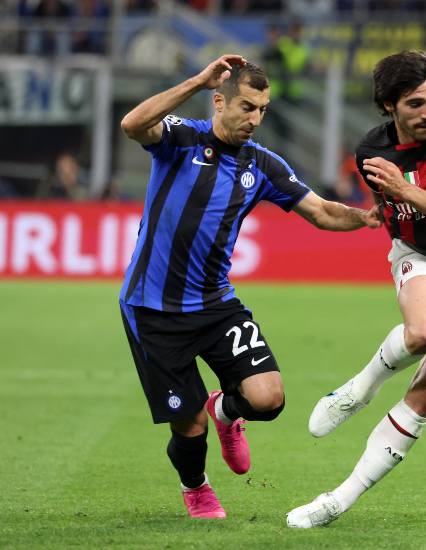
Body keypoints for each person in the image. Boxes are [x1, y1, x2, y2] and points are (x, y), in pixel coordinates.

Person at [118, 54, 381, 519]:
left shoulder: (262, 164)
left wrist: (364, 217)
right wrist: (198, 80)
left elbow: (321, 211)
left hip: (216, 304)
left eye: (262, 110)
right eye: (246, 107)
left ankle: (225, 411)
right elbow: (132, 124)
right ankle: (196, 487)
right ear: (219, 102)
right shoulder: (181, 138)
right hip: (153, 308)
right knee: (188, 423)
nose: (254, 119)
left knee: (268, 398)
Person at [286, 50, 426, 528]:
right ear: (390, 106)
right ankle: (359, 390)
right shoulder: (371, 151)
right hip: (420, 254)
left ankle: (338, 499)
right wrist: (378, 212)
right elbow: (392, 212)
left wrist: (406, 191)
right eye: (415, 103)